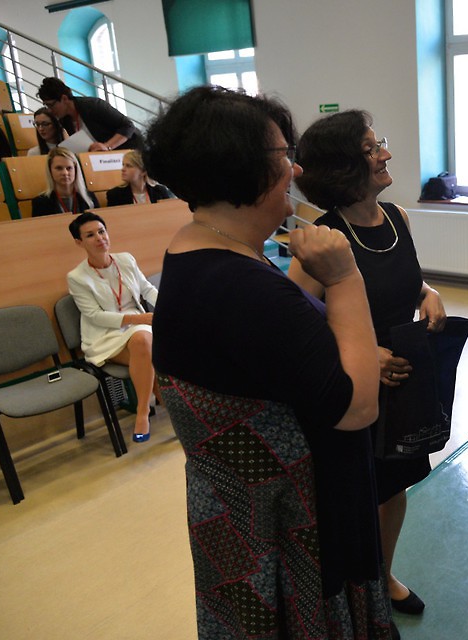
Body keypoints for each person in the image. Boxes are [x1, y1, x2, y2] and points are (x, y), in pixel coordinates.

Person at [145, 86, 395, 639]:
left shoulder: (198, 253)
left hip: (254, 514)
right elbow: (357, 407)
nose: (295, 169)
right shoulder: (240, 286)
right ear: (242, 167)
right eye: (284, 155)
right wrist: (344, 278)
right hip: (293, 525)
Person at [290, 109, 446, 617]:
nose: (386, 154)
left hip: (401, 386)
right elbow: (297, 326)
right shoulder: (324, 240)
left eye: (381, 143)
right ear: (343, 166)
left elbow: (399, 276)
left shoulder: (397, 218)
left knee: (394, 489)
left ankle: (382, 575)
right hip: (353, 389)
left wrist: (427, 291)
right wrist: (363, 354)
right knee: (355, 497)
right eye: (372, 148)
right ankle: (355, 595)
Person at [67, 212, 158, 443]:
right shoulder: (77, 277)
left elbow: (147, 290)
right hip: (105, 334)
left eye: (101, 231)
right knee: (150, 350)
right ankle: (146, 412)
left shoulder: (125, 260)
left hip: (139, 326)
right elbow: (94, 316)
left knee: (145, 344)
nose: (99, 238)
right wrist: (139, 319)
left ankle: (149, 412)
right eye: (90, 235)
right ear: (79, 242)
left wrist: (168, 309)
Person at [37, 77, 142, 152]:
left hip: (131, 150)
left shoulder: (93, 105)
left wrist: (107, 146)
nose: (49, 110)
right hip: (106, 158)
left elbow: (128, 126)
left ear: (64, 99)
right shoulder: (65, 119)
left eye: (51, 105)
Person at [31, 147, 100, 216]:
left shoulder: (89, 197)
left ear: (76, 170)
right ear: (50, 171)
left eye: (69, 168)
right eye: (59, 168)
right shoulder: (40, 203)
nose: (65, 173)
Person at [105, 150, 175, 206]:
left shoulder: (160, 191)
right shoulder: (115, 195)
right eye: (123, 165)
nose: (123, 169)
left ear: (143, 171)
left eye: (128, 166)